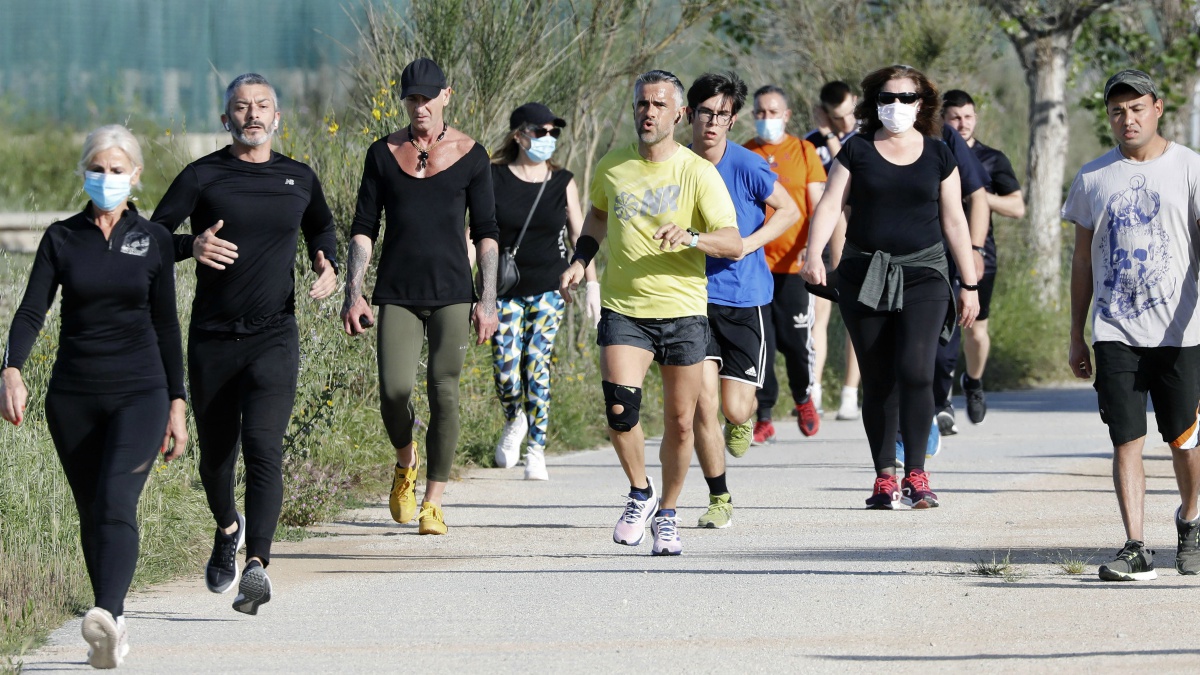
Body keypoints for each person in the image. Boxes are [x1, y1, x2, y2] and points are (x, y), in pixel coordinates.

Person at [1, 125, 188, 668]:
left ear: (136, 176)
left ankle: (107, 613)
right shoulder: (61, 238)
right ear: (84, 172)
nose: (106, 179)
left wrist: (177, 402)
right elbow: (31, 312)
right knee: (92, 512)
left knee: (115, 501)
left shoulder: (151, 239)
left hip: (142, 391)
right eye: (97, 169)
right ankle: (113, 629)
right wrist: (11, 370)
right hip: (73, 396)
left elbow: (167, 326)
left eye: (117, 170)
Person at [153, 73, 339, 615]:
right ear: (225, 119)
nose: (252, 115)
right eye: (241, 107)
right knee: (216, 459)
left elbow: (321, 227)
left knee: (264, 446)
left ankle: (256, 564)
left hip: (274, 335)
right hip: (212, 338)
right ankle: (228, 528)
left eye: (262, 106)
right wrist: (193, 244)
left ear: (277, 117)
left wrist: (324, 262)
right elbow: (149, 236)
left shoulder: (299, 177)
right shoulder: (202, 175)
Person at [559, 69, 741, 555]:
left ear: (678, 114)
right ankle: (640, 491)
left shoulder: (697, 172)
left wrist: (692, 237)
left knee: (682, 422)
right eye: (642, 103)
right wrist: (580, 261)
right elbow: (597, 214)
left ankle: (668, 513)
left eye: (660, 105)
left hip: (683, 311)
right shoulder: (612, 166)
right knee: (620, 411)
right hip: (625, 309)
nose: (649, 112)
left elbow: (734, 242)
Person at [801, 64, 979, 510]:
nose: (895, 106)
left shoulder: (939, 153)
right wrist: (814, 255)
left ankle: (917, 474)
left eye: (905, 98)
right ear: (873, 103)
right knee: (878, 379)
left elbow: (954, 220)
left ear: (921, 105)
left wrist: (969, 283)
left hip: (925, 274)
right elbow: (829, 205)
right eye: (887, 98)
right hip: (866, 275)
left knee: (917, 371)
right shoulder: (856, 149)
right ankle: (885, 476)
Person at [341, 58, 498, 535]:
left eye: (428, 97)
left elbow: (487, 233)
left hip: (453, 290)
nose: (420, 106)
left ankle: (433, 500)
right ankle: (405, 463)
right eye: (412, 98)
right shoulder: (381, 154)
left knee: (443, 391)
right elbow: (364, 229)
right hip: (397, 291)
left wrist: (487, 299)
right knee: (394, 391)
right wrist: (354, 292)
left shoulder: (472, 155)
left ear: (446, 95)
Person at [1064, 69, 1200, 581]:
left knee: (1184, 440)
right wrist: (1077, 332)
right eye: (1118, 110)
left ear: (1158, 108)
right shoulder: (1093, 177)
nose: (1128, 118)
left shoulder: (1190, 168)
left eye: (1137, 108)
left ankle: (1191, 517)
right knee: (1126, 437)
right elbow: (1081, 261)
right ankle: (1136, 546)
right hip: (1115, 328)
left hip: (1181, 330)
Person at [686, 73, 799, 528]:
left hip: (743, 295)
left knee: (734, 408)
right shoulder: (675, 164)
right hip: (692, 298)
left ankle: (744, 418)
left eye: (722, 114)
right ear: (688, 114)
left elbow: (790, 211)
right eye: (705, 112)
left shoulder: (748, 164)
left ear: (733, 120)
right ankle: (719, 499)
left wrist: (751, 244)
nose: (713, 122)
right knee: (701, 403)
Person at [489, 102, 599, 480]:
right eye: (541, 132)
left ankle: (536, 447)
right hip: (504, 288)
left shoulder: (562, 180)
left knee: (536, 364)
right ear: (519, 135)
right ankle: (514, 418)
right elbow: (478, 235)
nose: (548, 139)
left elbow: (581, 235)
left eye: (554, 132)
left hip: (551, 288)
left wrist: (592, 283)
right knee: (506, 370)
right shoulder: (493, 177)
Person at [745, 84, 827, 444]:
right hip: (755, 265)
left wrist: (815, 250)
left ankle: (803, 397)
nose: (767, 119)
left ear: (787, 115)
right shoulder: (745, 152)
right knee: (762, 342)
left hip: (794, 267)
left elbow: (818, 204)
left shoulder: (804, 151)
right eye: (761, 113)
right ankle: (764, 415)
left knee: (795, 343)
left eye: (773, 112)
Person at [942, 89, 1025, 426]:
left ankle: (973, 382)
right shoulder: (934, 151)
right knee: (940, 330)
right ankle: (941, 401)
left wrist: (980, 195)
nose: (962, 124)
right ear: (943, 120)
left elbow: (1017, 207)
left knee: (975, 332)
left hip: (980, 257)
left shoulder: (992, 158)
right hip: (939, 255)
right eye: (955, 118)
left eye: (968, 117)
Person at [803, 81, 863, 423]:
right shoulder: (810, 143)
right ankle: (815, 391)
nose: (842, 123)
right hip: (822, 241)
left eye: (846, 116)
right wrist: (823, 134)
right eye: (834, 118)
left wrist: (831, 136)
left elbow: (848, 165)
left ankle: (850, 393)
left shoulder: (868, 139)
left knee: (854, 317)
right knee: (818, 318)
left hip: (856, 238)